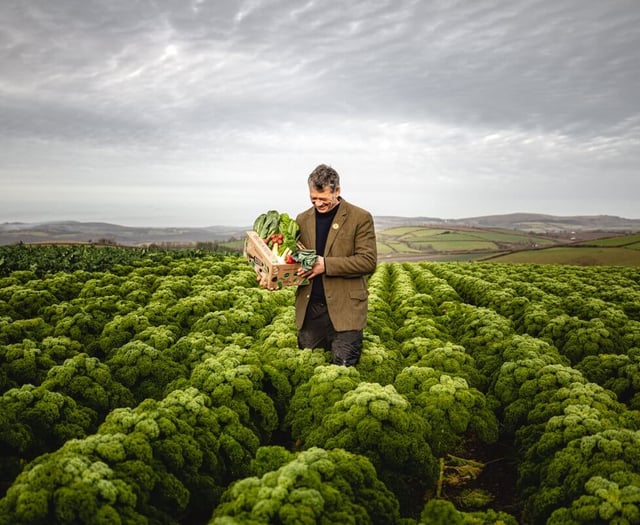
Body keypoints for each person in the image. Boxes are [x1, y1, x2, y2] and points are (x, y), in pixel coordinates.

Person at [293, 164, 377, 366]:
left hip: (346, 311)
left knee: (343, 369)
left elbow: (368, 261)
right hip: (311, 309)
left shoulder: (360, 218)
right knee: (309, 368)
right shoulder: (302, 220)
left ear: (337, 191)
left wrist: (326, 265)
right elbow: (294, 257)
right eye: (313, 198)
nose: (318, 203)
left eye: (323, 198)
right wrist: (273, 275)